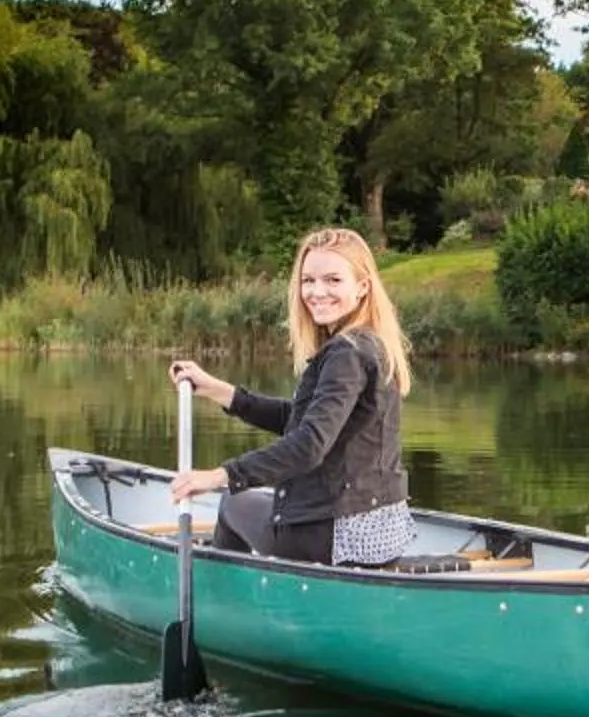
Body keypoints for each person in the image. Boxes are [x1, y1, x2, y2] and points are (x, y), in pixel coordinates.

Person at [167, 226, 413, 567]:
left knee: (233, 503)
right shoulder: (372, 344)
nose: (316, 291)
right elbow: (301, 421)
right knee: (250, 499)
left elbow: (310, 443)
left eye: (333, 280)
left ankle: (222, 603)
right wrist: (220, 391)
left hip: (333, 535)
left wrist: (221, 475)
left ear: (362, 287)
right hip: (381, 535)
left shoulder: (347, 352)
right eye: (308, 280)